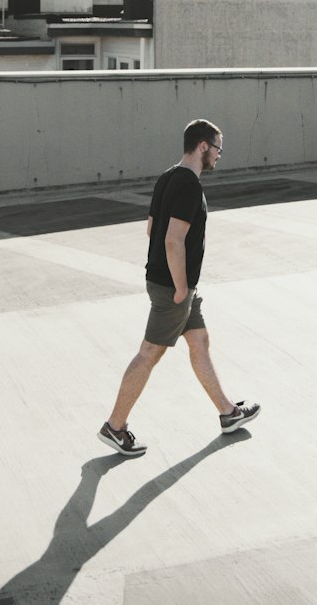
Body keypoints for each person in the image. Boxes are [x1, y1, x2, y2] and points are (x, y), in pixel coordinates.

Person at [98, 118, 260, 456]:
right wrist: (182, 288)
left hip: (169, 282)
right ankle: (115, 426)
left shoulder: (166, 178)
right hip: (172, 287)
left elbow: (151, 230)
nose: (218, 155)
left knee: (199, 341)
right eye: (217, 148)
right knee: (149, 354)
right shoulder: (188, 185)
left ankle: (228, 413)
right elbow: (173, 241)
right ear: (203, 146)